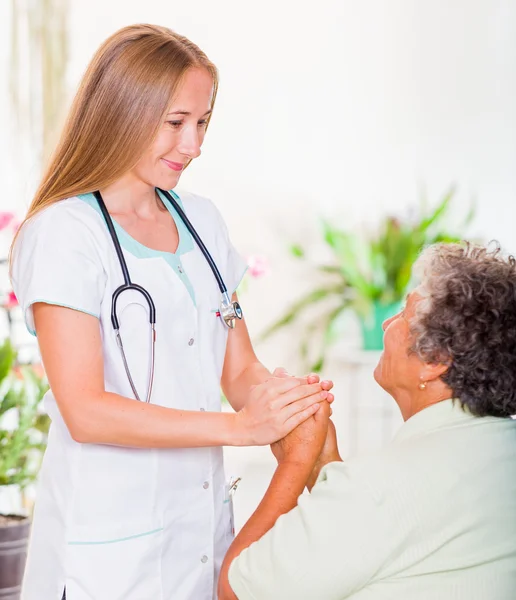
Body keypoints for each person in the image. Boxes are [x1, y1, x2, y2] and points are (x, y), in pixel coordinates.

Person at [9, 24, 334, 600]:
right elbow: (85, 410)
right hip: (104, 554)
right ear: (122, 112)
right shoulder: (63, 233)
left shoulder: (201, 221)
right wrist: (239, 428)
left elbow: (238, 369)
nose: (194, 146)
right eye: (176, 123)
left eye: (203, 121)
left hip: (199, 532)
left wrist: (286, 403)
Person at [219, 242, 516, 600]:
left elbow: (237, 590)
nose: (388, 324)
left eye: (403, 316)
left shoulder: (384, 485)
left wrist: (296, 462)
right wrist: (322, 462)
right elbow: (378, 539)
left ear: (434, 360)